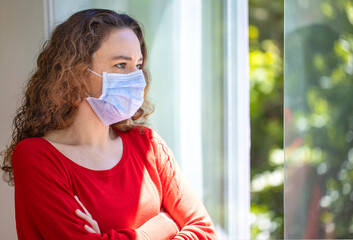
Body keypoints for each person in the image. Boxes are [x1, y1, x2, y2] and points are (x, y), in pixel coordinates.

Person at [0, 9, 216, 240]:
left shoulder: (148, 145)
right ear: (76, 73)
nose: (137, 79)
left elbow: (204, 231)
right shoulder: (36, 157)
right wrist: (163, 226)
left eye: (138, 65)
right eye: (121, 65)